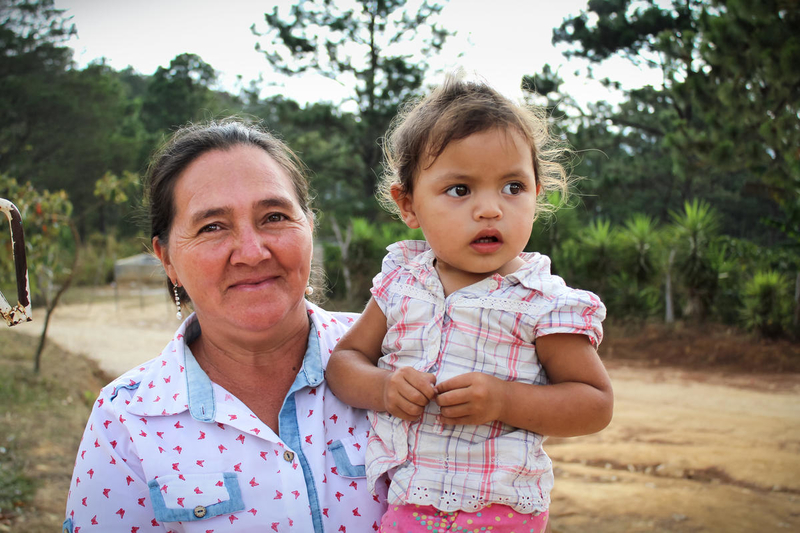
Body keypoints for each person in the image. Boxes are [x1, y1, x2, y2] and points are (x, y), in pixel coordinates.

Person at [63, 121, 387, 532]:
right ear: (166, 259)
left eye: (274, 216)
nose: (252, 252)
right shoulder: (126, 421)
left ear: (309, 226)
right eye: (212, 227)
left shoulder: (399, 353)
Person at [326, 75, 614, 533]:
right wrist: (383, 388)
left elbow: (594, 404)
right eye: (460, 190)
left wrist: (504, 399)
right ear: (409, 205)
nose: (490, 209)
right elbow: (344, 361)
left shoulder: (541, 301)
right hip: (409, 504)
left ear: (538, 193)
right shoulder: (404, 281)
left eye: (512, 187)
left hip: (502, 513)